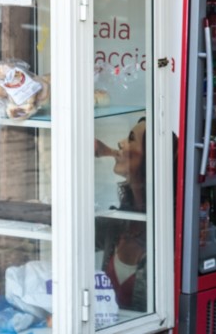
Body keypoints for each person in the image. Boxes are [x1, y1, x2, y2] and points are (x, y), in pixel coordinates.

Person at [95, 117, 147, 312]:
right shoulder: (119, 222)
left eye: (131, 139)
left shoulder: (167, 229)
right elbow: (74, 233)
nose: (120, 143)